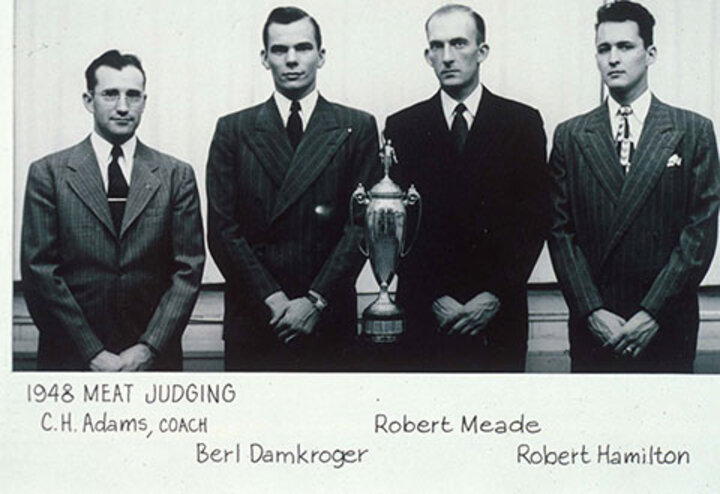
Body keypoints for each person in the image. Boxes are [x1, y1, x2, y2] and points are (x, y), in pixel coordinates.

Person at [548, 1, 720, 372]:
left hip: (665, 325)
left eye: (625, 47)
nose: (613, 58)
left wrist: (652, 313)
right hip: (595, 327)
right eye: (603, 48)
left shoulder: (693, 131)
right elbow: (560, 232)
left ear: (650, 53)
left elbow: (699, 235)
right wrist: (592, 311)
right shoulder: (571, 135)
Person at [206, 6, 379, 371]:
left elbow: (361, 226)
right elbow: (223, 231)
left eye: (302, 48)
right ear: (264, 59)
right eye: (279, 50)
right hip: (257, 320)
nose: (291, 60)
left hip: (327, 319)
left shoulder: (357, 127)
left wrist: (315, 301)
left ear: (321, 55)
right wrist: (273, 299)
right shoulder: (233, 130)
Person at [384, 4, 549, 371]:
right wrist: (432, 297)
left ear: (482, 51)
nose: (447, 57)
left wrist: (493, 295)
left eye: (459, 44)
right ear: (427, 55)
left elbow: (534, 219)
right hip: (425, 314)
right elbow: (397, 228)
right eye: (437, 47)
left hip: (497, 316)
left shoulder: (521, 123)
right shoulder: (402, 127)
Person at [21, 50, 205, 371]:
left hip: (153, 363)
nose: (123, 106)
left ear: (144, 102)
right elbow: (40, 271)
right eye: (110, 94)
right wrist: (91, 353)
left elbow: (188, 270)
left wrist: (148, 349)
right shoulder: (48, 173)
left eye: (133, 96)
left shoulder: (176, 175)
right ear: (89, 100)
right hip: (70, 360)